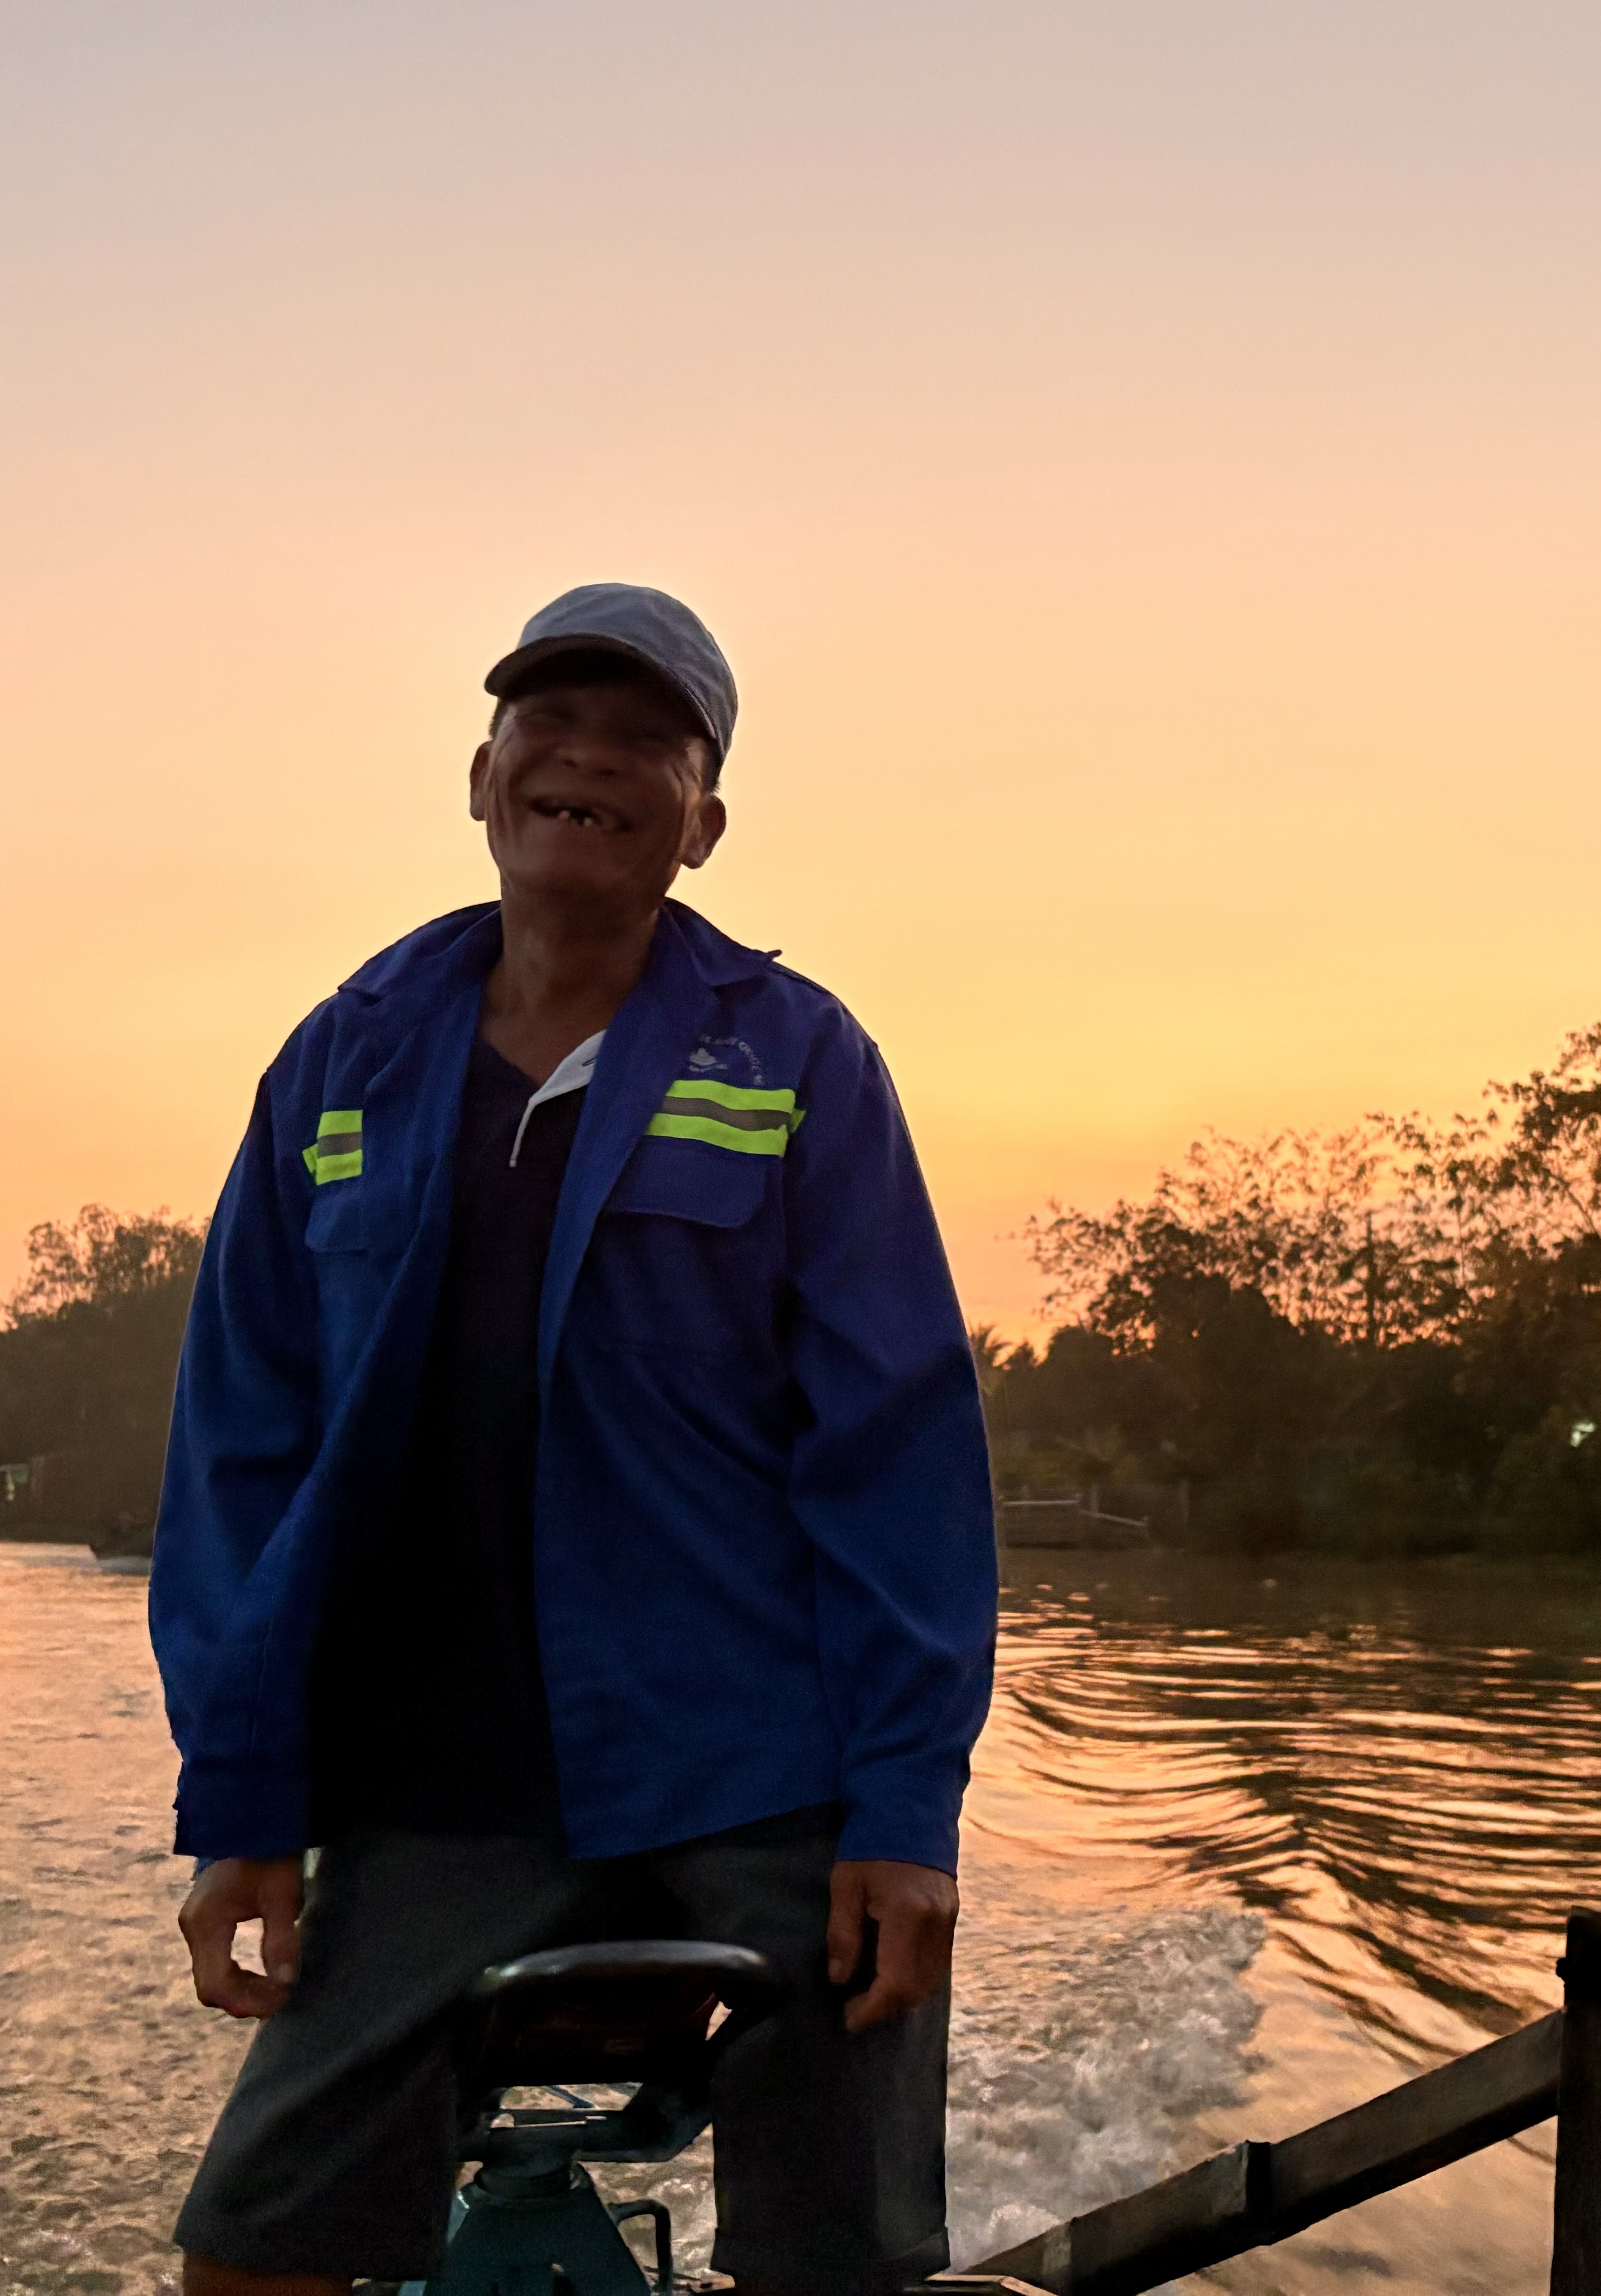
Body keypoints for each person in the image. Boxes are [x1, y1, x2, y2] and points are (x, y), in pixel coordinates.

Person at [148, 583, 999, 2296]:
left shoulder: (796, 1056)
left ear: (703, 821)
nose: (589, 761)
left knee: (844, 2265)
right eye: (553, 725)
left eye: (646, 743)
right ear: (483, 776)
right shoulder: (341, 1062)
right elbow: (245, 1442)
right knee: (257, 2250)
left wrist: (905, 1807)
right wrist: (243, 1798)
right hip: (444, 1774)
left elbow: (896, 1443)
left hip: (759, 1759)